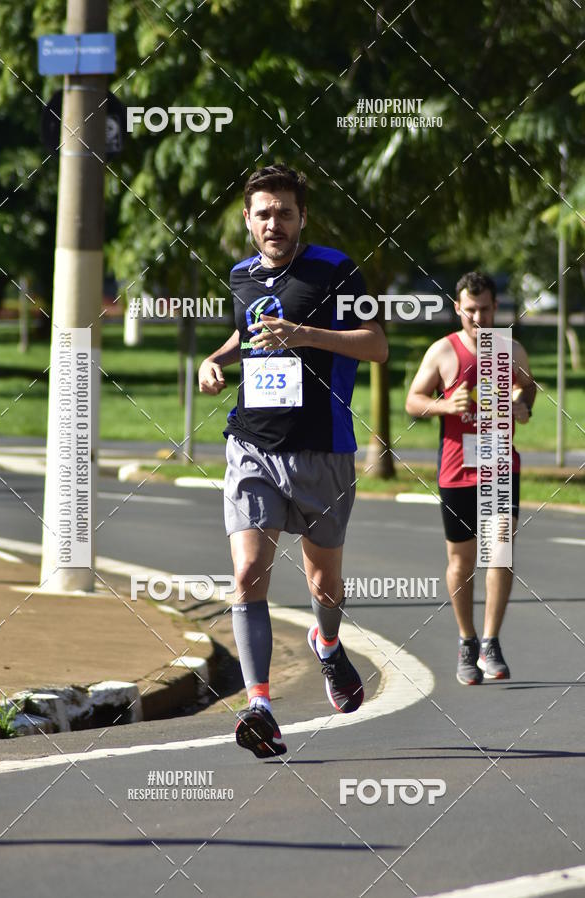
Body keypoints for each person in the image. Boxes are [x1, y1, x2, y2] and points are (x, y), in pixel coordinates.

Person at [198, 164, 388, 758]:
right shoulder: (240, 276)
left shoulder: (335, 269)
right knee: (248, 571)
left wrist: (306, 335)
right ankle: (260, 707)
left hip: (322, 450)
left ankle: (327, 646)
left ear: (302, 217)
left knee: (322, 582)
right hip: (252, 444)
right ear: (248, 222)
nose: (273, 222)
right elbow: (249, 334)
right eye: (262, 213)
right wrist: (216, 361)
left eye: (284, 211)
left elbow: (377, 345)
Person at [405, 272, 536, 685]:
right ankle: (467, 640)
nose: (477, 317)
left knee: (499, 551)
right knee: (461, 562)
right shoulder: (443, 351)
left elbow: (528, 388)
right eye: (470, 310)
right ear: (458, 308)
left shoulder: (510, 349)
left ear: (496, 309)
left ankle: (492, 642)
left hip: (499, 464)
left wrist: (522, 406)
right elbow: (413, 401)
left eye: (485, 309)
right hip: (457, 470)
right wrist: (445, 406)